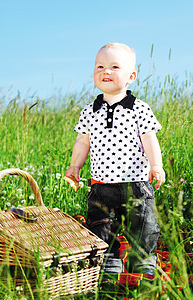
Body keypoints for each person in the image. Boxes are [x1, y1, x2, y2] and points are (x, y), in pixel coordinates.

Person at [64, 42, 165, 274]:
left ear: (131, 76)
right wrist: (74, 166)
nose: (105, 71)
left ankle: (143, 259)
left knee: (143, 224)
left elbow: (149, 139)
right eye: (99, 66)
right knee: (101, 224)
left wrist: (156, 165)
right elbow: (82, 141)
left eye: (114, 66)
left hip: (136, 182)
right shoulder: (89, 111)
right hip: (101, 185)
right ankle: (109, 259)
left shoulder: (139, 108)